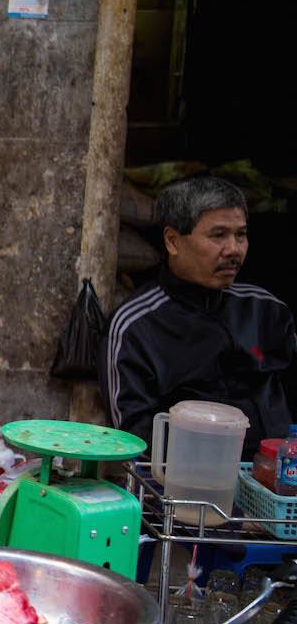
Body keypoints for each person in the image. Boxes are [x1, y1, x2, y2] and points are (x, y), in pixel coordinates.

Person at [103, 176, 294, 456]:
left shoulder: (266, 309)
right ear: (172, 241)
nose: (233, 250)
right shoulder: (135, 328)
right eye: (218, 235)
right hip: (186, 489)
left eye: (240, 235)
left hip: (276, 483)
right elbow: (132, 442)